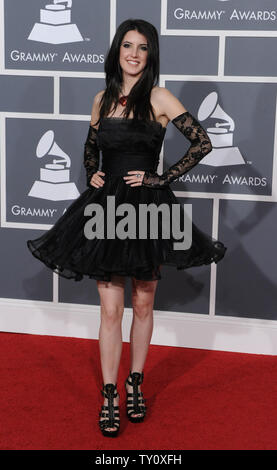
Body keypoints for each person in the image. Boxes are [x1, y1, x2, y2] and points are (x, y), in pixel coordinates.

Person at [27, 18, 227, 438]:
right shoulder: (102, 98)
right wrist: (91, 173)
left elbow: (203, 142)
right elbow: (90, 145)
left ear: (150, 55)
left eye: (142, 48)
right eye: (127, 46)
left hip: (147, 211)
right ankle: (109, 395)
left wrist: (160, 178)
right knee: (110, 310)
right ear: (117, 51)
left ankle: (135, 384)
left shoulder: (159, 97)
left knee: (143, 303)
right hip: (105, 210)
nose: (134, 54)